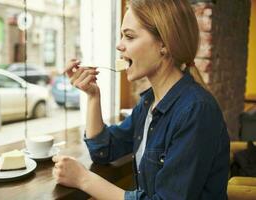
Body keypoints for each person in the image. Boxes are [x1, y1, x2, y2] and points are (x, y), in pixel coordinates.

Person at [52, 0, 230, 199]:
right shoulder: (149, 103)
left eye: (129, 36)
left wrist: (83, 179)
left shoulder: (196, 111)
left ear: (164, 44)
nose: (119, 45)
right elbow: (104, 150)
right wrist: (93, 96)